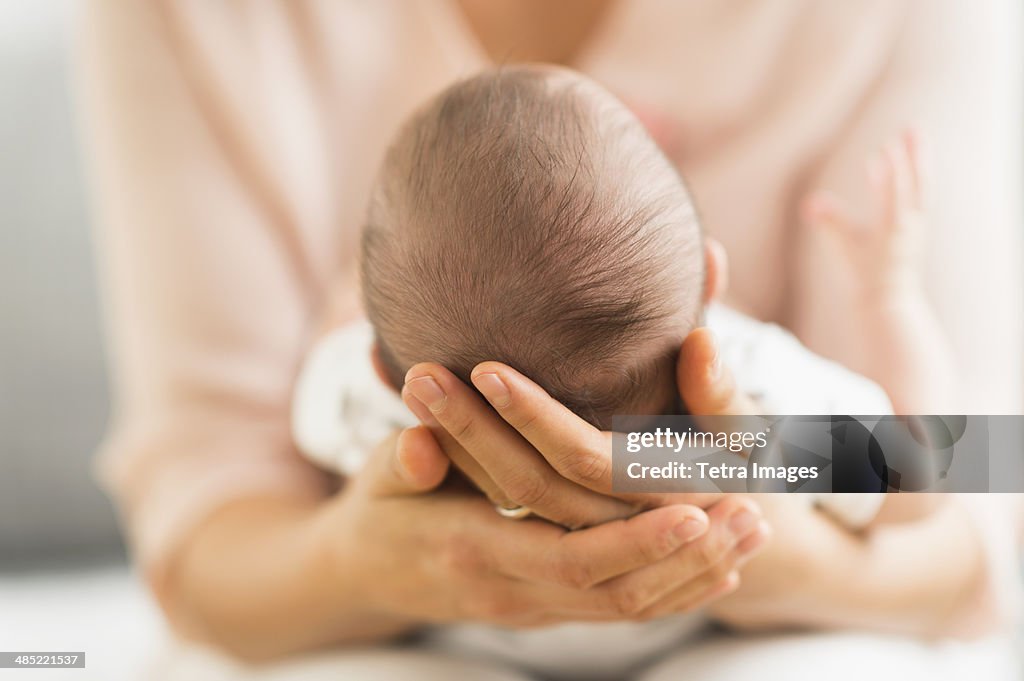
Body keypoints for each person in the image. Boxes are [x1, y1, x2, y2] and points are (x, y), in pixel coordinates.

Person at [79, 1, 1023, 678]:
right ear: (710, 286)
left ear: (377, 354)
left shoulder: (384, 408)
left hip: (441, 643)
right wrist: (888, 301)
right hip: (712, 632)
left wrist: (344, 310)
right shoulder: (757, 388)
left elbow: (297, 429)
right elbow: (944, 472)